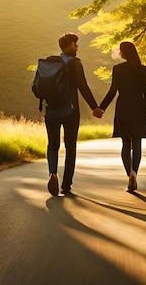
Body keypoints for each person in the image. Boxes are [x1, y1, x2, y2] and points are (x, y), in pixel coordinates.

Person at [44, 33, 104, 196]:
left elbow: (36, 87)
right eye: (75, 44)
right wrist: (95, 107)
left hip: (51, 111)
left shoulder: (49, 63)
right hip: (70, 111)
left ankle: (53, 173)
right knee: (70, 147)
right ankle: (66, 185)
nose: (77, 47)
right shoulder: (74, 63)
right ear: (70, 45)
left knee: (53, 145)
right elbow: (82, 86)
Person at [95, 41, 146, 192]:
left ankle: (129, 174)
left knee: (125, 144)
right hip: (140, 108)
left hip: (123, 108)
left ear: (123, 53)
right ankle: (135, 172)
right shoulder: (144, 70)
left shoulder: (118, 69)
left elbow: (113, 91)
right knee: (137, 143)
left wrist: (101, 108)